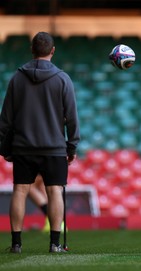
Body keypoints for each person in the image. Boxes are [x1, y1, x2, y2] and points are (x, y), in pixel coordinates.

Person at [0, 31, 80, 253]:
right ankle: (55, 244)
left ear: (32, 50)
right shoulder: (63, 79)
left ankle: (16, 244)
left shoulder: (17, 78)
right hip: (54, 147)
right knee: (55, 191)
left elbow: (5, 118)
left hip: (23, 146)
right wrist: (71, 146)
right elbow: (72, 117)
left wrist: (3, 147)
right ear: (52, 51)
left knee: (20, 190)